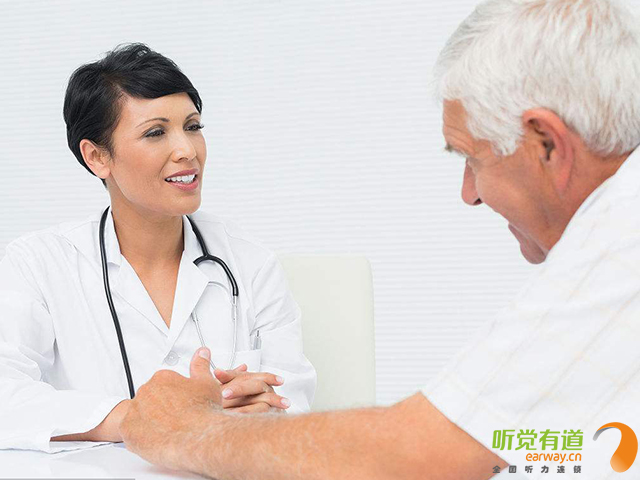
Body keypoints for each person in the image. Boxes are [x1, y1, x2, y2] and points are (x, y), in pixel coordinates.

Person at [119, 0, 640, 478]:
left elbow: (420, 454)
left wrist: (187, 429)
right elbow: (517, 438)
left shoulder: (620, 243)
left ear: (547, 143)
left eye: (471, 158)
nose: (469, 194)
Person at [0, 43, 316, 453]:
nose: (187, 150)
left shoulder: (251, 263)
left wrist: (260, 412)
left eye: (193, 126)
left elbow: (292, 399)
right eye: (155, 132)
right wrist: (138, 419)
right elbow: (6, 396)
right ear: (97, 157)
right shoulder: (38, 264)